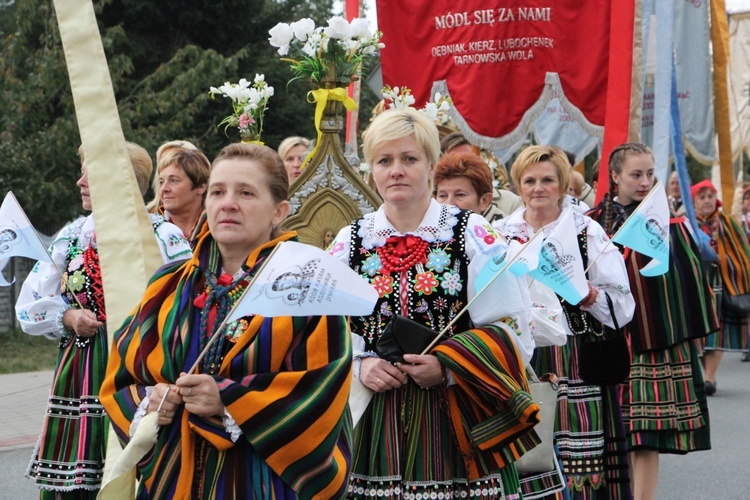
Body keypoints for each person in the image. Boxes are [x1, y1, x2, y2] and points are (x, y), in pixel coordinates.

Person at [100, 143, 352, 499]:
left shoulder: (308, 291)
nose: (228, 203)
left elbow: (322, 392)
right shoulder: (167, 284)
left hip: (263, 482)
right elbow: (121, 375)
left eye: (246, 193)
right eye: (218, 191)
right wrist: (149, 399)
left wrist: (230, 400)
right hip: (174, 479)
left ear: (279, 211)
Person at [330, 108, 538, 499]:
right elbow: (321, 329)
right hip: (373, 420)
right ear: (371, 169)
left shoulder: (471, 233)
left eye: (409, 159)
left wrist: (449, 366)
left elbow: (512, 326)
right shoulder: (351, 242)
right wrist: (361, 363)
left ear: (430, 165)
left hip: (456, 413)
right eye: (384, 161)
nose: (396, 170)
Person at [15, 142, 192, 498]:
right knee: (80, 472)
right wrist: (66, 315)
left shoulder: (163, 235)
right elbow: (27, 305)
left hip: (140, 365)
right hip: (83, 368)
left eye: (90, 175)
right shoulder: (72, 237)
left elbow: (186, 300)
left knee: (137, 459)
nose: (80, 182)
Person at [494, 145, 635, 499]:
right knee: (524, 453)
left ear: (561, 185)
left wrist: (588, 296)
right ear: (519, 185)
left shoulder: (587, 232)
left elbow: (623, 305)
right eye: (529, 180)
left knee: (579, 458)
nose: (538, 188)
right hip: (518, 357)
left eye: (547, 180)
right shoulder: (499, 233)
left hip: (573, 355)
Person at [589, 144, 715, 499]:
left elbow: (686, 280)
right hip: (604, 339)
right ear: (615, 177)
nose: (645, 182)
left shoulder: (668, 220)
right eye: (635, 174)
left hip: (652, 339)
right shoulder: (592, 221)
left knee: (643, 435)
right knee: (608, 434)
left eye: (649, 174)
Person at [692, 179, 750, 394]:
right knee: (698, 331)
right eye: (702, 196)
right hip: (696, 282)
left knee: (717, 330)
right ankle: (704, 374)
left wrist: (723, 259)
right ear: (694, 201)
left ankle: (709, 378)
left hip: (721, 282)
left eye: (710, 196)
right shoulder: (686, 222)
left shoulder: (727, 221)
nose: (707, 201)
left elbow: (742, 251)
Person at [439, 132, 522, 221]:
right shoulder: (429, 205)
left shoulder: (511, 202)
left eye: (461, 195)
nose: (449, 203)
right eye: (452, 160)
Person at [152, 147, 211, 246]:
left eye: (174, 180)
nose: (164, 189)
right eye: (161, 182)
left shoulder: (217, 226)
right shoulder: (148, 228)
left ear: (201, 187)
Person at [146, 140, 199, 212]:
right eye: (163, 162)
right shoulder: (146, 217)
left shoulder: (212, 216)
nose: (168, 167)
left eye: (174, 180)